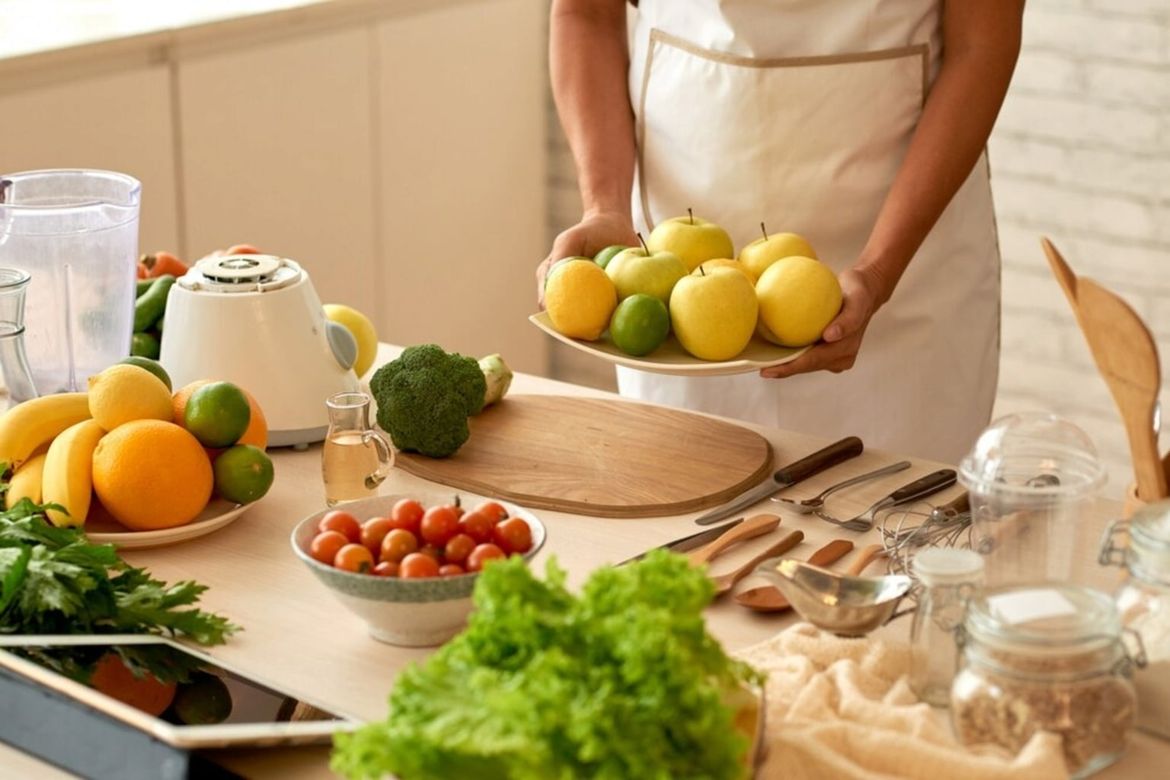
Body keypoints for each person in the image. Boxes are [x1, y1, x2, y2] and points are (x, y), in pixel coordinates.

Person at [538, 0, 1024, 464]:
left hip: (907, 274)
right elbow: (586, 14)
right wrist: (604, 207)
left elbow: (980, 45)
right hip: (677, 279)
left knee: (903, 533)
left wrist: (878, 269)